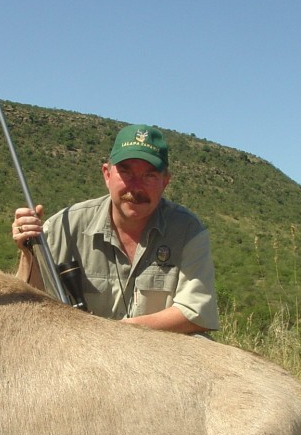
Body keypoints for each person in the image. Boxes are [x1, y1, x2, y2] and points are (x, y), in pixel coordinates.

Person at [11, 124, 219, 334]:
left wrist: (115, 334)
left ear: (165, 181)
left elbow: (196, 314)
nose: (136, 187)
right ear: (107, 174)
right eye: (126, 173)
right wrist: (28, 252)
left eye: (149, 176)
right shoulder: (62, 226)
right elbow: (26, 304)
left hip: (161, 357)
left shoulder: (188, 230)